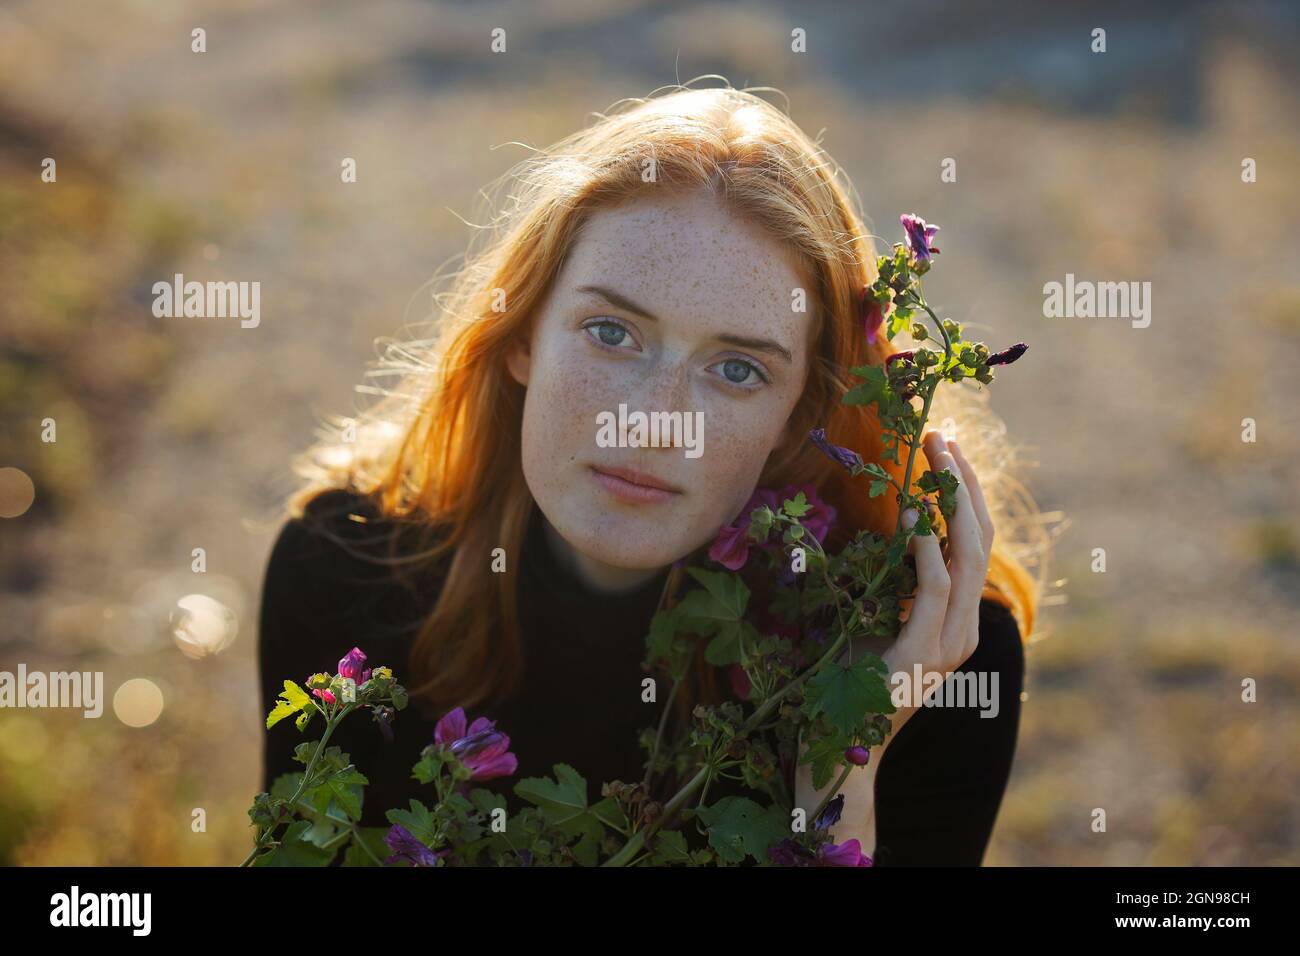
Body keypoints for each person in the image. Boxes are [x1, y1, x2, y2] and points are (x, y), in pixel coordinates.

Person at [258, 84, 1044, 866]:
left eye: (736, 370)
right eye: (612, 332)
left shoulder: (920, 662)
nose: (650, 419)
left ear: (798, 418)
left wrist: (839, 771)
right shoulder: (344, 573)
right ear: (522, 335)